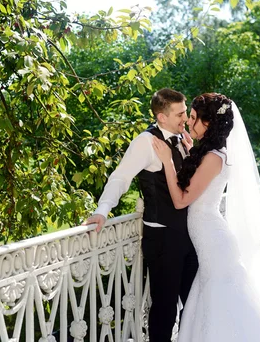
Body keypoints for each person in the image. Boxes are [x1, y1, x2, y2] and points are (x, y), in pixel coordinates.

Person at [151, 93, 260, 341]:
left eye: (192, 118)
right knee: (213, 301)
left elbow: (181, 200)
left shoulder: (214, 157)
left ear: (207, 122)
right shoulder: (210, 153)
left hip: (214, 241)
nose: (188, 123)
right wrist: (189, 152)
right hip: (208, 239)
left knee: (224, 303)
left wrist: (168, 161)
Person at [83, 88, 198, 342]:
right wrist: (103, 210)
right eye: (179, 114)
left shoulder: (181, 139)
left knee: (194, 303)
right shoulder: (145, 142)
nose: (185, 119)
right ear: (161, 117)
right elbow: (121, 177)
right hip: (163, 238)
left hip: (189, 236)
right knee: (165, 311)